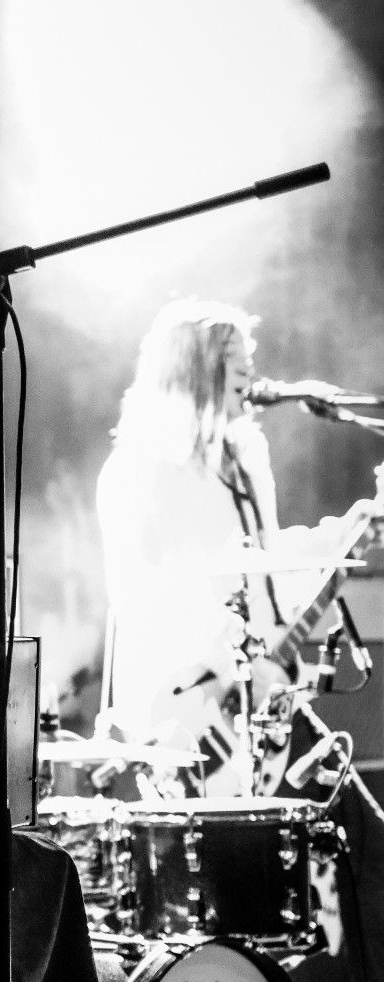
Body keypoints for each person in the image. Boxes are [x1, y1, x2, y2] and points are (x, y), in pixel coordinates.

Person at [97, 298, 358, 786]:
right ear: (193, 369)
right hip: (183, 714)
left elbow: (266, 566)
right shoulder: (138, 471)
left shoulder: (246, 459)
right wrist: (231, 662)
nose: (250, 368)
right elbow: (144, 597)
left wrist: (343, 533)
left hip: (255, 707)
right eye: (232, 358)